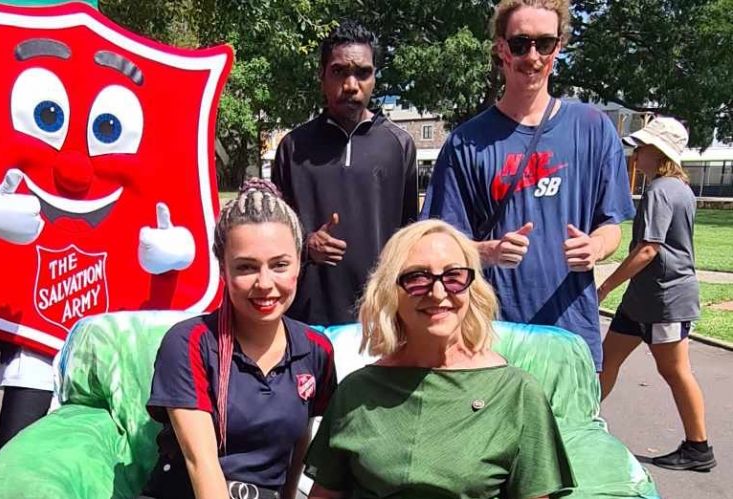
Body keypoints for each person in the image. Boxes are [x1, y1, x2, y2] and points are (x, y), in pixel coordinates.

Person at [420, 0, 635, 370]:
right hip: (488, 335)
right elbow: (437, 245)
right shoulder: (466, 142)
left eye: (544, 43)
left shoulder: (593, 128)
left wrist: (595, 247)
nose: (532, 56)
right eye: (520, 44)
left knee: (567, 430)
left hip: (570, 334)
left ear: (559, 47)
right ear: (501, 48)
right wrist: (487, 252)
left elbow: (612, 225)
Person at [303, 219, 574, 498]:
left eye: (454, 276)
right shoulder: (356, 391)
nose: (438, 292)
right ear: (389, 290)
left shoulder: (516, 393)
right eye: (417, 278)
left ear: (472, 287)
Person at [146, 179, 337, 499]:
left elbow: (298, 441)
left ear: (299, 263)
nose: (265, 283)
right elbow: (200, 464)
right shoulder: (189, 343)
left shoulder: (315, 351)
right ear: (223, 270)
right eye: (246, 267)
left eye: (279, 265)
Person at [272, 19, 418, 327]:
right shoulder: (292, 148)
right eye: (339, 71)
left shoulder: (398, 145)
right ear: (322, 77)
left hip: (378, 319)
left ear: (375, 78)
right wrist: (306, 245)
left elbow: (409, 238)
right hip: (304, 321)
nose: (351, 85)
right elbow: (272, 237)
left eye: (362, 73)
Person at [597, 117, 716, 472]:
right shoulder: (678, 189)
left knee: (675, 371)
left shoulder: (662, 190)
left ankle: (698, 447)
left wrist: (604, 287)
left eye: (643, 147)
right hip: (641, 301)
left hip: (666, 301)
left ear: (659, 152)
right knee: (605, 360)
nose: (636, 153)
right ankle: (576, 421)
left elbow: (648, 249)